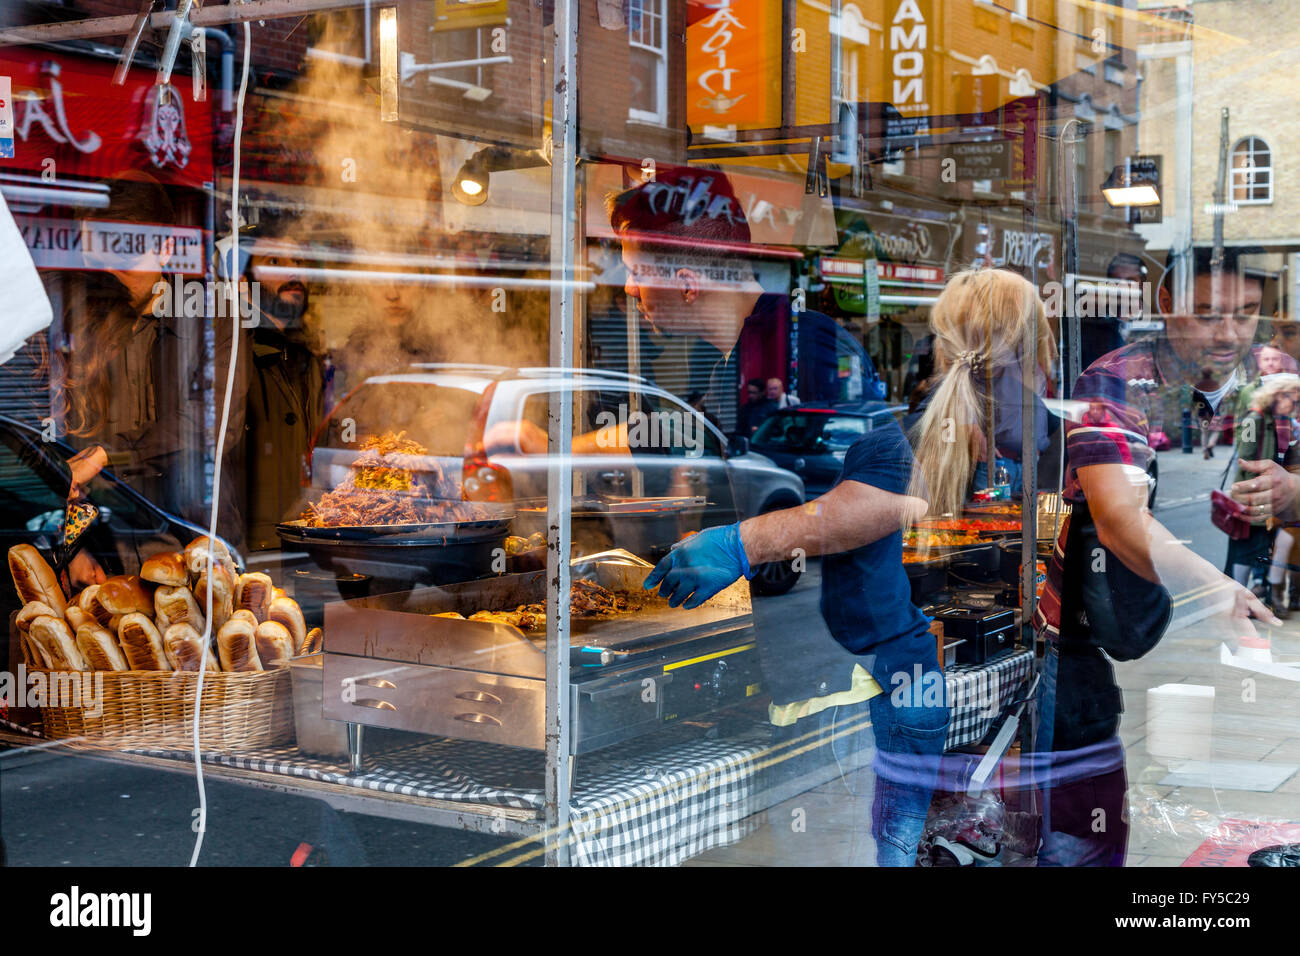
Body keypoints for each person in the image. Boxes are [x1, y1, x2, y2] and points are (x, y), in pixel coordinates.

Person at [612, 166, 946, 865]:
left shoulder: (811, 350)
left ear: (683, 274)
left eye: (634, 269)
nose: (628, 290)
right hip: (800, 687)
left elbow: (893, 497)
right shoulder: (715, 366)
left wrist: (741, 542)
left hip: (870, 686)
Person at [1033, 246, 1283, 866]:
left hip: (1140, 644)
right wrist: (1218, 588)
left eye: (1246, 314)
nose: (1228, 334)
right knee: (1079, 834)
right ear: (1165, 305)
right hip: (1070, 643)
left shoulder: (1277, 370)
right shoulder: (1114, 380)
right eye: (1207, 314)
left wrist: (1293, 489)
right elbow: (1119, 519)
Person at [214, 222, 325, 554]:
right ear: (243, 283)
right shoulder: (232, 353)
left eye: (299, 262)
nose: (294, 273)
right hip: (256, 549)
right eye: (275, 262)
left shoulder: (310, 356)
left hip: (312, 541)